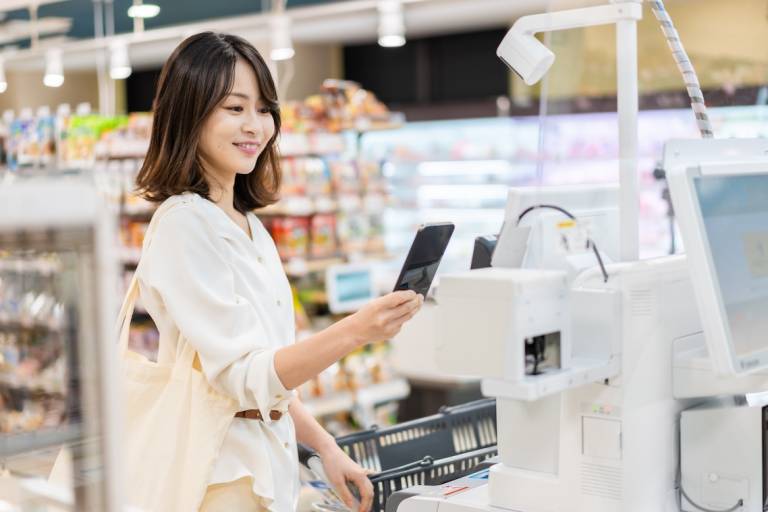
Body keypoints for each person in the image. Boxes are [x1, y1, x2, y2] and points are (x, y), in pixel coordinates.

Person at [133, 32, 423, 512]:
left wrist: (326, 448)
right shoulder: (183, 224)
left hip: (269, 458)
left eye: (264, 109)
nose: (256, 126)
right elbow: (246, 377)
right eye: (234, 108)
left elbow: (270, 379)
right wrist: (357, 331)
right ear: (189, 112)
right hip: (222, 473)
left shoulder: (249, 226)